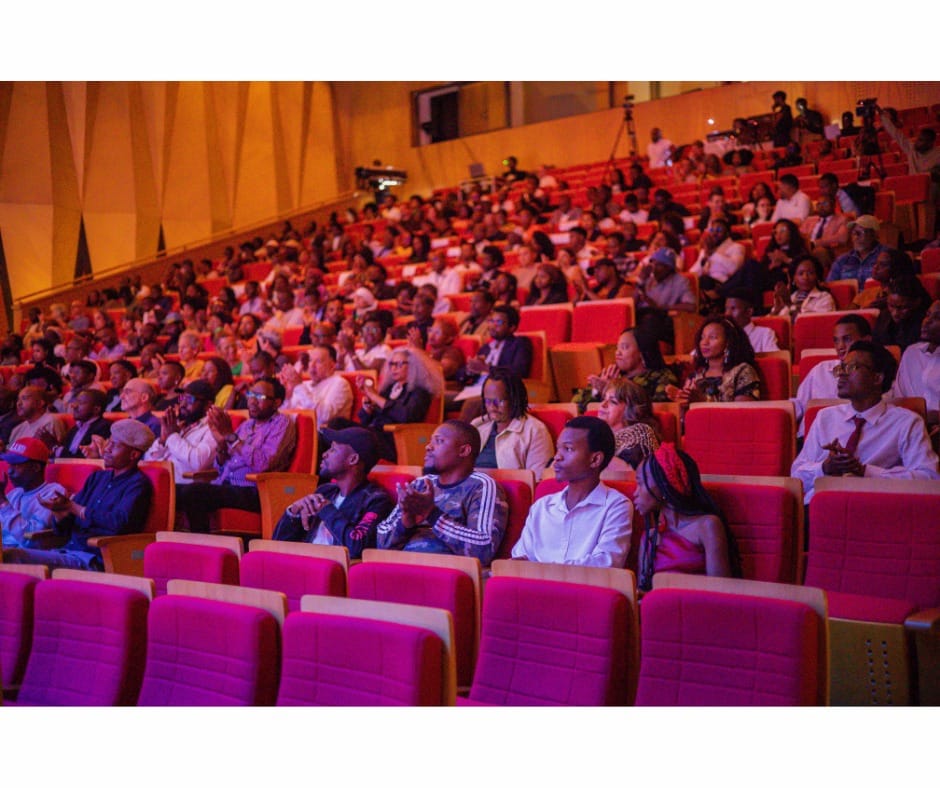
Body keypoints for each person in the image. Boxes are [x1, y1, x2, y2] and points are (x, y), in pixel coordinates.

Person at [791, 340, 940, 503]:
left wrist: (865, 471)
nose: (842, 374)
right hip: (821, 505)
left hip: (872, 506)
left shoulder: (906, 422)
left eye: (851, 368)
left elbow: (928, 477)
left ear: (877, 378)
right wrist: (825, 467)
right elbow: (796, 475)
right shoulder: (825, 418)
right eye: (841, 368)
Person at [2, 419, 155, 570]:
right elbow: (64, 527)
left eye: (114, 445)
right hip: (67, 550)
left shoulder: (138, 484)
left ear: (133, 454)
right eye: (108, 442)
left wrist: (75, 508)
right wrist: (59, 513)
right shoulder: (97, 478)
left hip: (96, 557)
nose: (107, 449)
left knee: (9, 556)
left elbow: (119, 524)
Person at [376, 419, 508, 566]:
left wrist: (432, 514)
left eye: (439, 441)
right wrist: (406, 521)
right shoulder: (420, 484)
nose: (428, 447)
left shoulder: (482, 486)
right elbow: (381, 543)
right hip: (404, 566)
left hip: (447, 572)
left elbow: (484, 549)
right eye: (430, 441)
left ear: (463, 451)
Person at [175, 377, 297, 532]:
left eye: (260, 397)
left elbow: (264, 464)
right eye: (251, 395)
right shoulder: (246, 425)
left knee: (193, 492)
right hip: (226, 484)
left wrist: (231, 436)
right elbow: (220, 467)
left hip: (255, 490)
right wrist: (221, 444)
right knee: (173, 491)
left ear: (276, 402)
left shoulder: (281, 423)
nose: (252, 401)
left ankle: (201, 542)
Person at [511, 416, 633, 568]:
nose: (557, 457)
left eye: (568, 449)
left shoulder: (616, 506)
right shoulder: (542, 506)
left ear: (595, 460)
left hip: (585, 585)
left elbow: (606, 564)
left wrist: (542, 569)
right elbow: (520, 560)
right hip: (534, 583)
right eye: (558, 448)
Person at [272, 426, 394, 559]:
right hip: (305, 562)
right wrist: (294, 512)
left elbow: (357, 547)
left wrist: (327, 510)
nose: (324, 454)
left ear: (353, 459)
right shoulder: (325, 491)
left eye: (333, 449)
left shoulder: (376, 500)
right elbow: (278, 543)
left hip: (332, 568)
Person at [633, 442, 737, 591]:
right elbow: (643, 592)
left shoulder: (707, 526)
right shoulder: (649, 538)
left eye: (640, 483)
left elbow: (720, 592)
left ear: (663, 485)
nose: (635, 493)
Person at [790, 314, 873, 436]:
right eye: (836, 340)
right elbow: (799, 405)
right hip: (810, 439)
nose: (840, 346)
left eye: (847, 339)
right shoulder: (820, 370)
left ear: (866, 341)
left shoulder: (875, 375)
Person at [470, 367, 554, 482]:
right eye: (488, 401)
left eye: (499, 401)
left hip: (506, 490)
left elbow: (537, 480)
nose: (492, 407)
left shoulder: (535, 430)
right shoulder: (478, 425)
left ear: (515, 399)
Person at [573, 326, 678, 412]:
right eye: (617, 348)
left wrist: (613, 390)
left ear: (642, 353)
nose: (617, 353)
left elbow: (653, 411)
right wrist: (596, 391)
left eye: (624, 347)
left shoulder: (662, 377)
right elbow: (575, 407)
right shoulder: (612, 374)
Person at [358, 346, 434, 462]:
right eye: (391, 364)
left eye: (399, 364)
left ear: (413, 366)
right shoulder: (388, 389)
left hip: (395, 440)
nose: (393, 368)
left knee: (347, 432)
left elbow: (407, 416)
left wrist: (375, 396)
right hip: (374, 435)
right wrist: (368, 408)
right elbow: (364, 420)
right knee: (338, 423)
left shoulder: (420, 392)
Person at [668, 316, 761, 404]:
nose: (704, 342)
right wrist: (680, 400)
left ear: (728, 342)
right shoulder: (695, 377)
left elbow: (743, 412)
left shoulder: (743, 371)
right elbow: (686, 413)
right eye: (702, 337)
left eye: (712, 337)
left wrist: (704, 400)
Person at [143, 380, 217, 483]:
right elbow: (148, 460)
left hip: (184, 487)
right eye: (182, 398)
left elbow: (198, 462)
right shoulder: (178, 426)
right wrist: (163, 440)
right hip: (159, 482)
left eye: (189, 399)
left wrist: (172, 436)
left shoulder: (213, 428)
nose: (183, 404)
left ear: (208, 405)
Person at [0, 437, 67, 548]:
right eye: (10, 465)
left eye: (16, 465)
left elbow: (30, 540)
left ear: (36, 467)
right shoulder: (15, 493)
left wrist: (3, 502)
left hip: (21, 553)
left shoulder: (53, 493)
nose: (10, 471)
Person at [891, 300, 940, 435]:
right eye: (928, 315)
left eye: (937, 317)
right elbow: (900, 398)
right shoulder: (911, 353)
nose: (927, 321)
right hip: (908, 427)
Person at [633, 247, 697, 346]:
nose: (654, 268)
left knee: (649, 320)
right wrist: (640, 282)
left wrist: (662, 307)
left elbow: (691, 306)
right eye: (653, 263)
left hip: (662, 320)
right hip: (641, 316)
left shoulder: (680, 281)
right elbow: (632, 303)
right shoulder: (648, 279)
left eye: (659, 265)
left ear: (669, 268)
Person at [596, 378, 661, 470]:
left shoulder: (639, 437)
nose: (603, 405)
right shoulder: (600, 434)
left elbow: (626, 474)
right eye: (604, 399)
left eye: (613, 401)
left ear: (633, 410)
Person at [279, 344, 354, 424]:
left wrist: (299, 386)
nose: (312, 365)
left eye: (318, 361)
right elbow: (284, 419)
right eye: (310, 360)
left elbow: (323, 417)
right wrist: (287, 396)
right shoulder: (305, 385)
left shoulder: (340, 384)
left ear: (332, 365)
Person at [688, 218, 746, 305]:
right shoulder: (705, 250)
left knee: (704, 281)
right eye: (712, 230)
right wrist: (704, 258)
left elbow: (734, 269)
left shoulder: (737, 247)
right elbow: (693, 273)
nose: (714, 233)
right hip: (705, 283)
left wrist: (713, 254)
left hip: (724, 286)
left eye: (719, 230)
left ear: (727, 233)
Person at [872, 276, 932, 352]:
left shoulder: (926, 324)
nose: (895, 313)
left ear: (917, 302)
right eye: (891, 306)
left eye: (903, 307)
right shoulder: (884, 316)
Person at [827, 215, 887, 287]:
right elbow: (829, 286)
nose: (855, 237)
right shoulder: (842, 260)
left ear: (873, 234)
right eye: (853, 233)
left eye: (859, 233)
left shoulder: (887, 256)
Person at [772, 256, 837, 320]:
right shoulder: (790, 297)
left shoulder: (825, 298)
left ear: (817, 276)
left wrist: (790, 305)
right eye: (801, 274)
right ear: (793, 278)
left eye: (810, 273)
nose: (805, 277)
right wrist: (777, 310)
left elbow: (816, 322)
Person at [55, 388, 112, 459]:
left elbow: (81, 459)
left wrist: (55, 448)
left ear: (96, 409)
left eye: (81, 403)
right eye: (76, 402)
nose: (74, 406)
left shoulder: (104, 428)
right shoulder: (75, 428)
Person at [801, 196, 850, 268]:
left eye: (825, 204)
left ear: (833, 205)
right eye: (819, 204)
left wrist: (815, 243)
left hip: (829, 250)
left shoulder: (842, 219)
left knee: (819, 251)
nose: (821, 207)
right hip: (807, 248)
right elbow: (799, 235)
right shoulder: (809, 220)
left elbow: (842, 238)